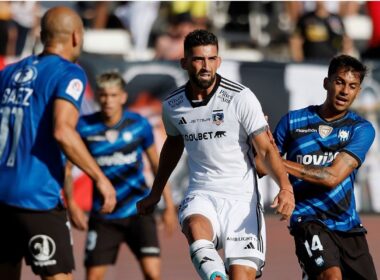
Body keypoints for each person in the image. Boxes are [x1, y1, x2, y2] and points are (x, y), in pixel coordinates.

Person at [137, 29, 295, 280]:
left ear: (218, 61)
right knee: (194, 226)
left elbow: (265, 148)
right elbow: (173, 145)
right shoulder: (173, 105)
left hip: (242, 200)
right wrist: (155, 192)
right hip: (202, 192)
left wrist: (285, 187)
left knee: (240, 275)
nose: (205, 66)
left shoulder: (240, 97)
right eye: (198, 59)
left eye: (211, 59)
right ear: (185, 62)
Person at [0, 6, 116, 280]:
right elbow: (63, 131)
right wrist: (99, 177)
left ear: (41, 35)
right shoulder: (68, 73)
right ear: (76, 36)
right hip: (36, 198)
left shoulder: (8, 73)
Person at [270, 55, 377, 279]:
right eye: (339, 82)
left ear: (358, 91)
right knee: (331, 277)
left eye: (352, 86)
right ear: (326, 82)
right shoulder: (293, 122)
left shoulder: (361, 129)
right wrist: (259, 139)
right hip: (307, 219)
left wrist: (277, 161)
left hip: (347, 224)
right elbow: (263, 165)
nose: (345, 91)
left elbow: (331, 177)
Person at [65, 71, 177, 280]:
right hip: (104, 215)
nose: (108, 101)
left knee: (153, 274)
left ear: (123, 97)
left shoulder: (138, 125)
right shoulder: (84, 126)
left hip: (139, 211)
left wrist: (169, 205)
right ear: (98, 97)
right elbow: (68, 169)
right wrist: (71, 204)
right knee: (93, 277)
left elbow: (157, 165)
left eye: (114, 95)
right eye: (104, 95)